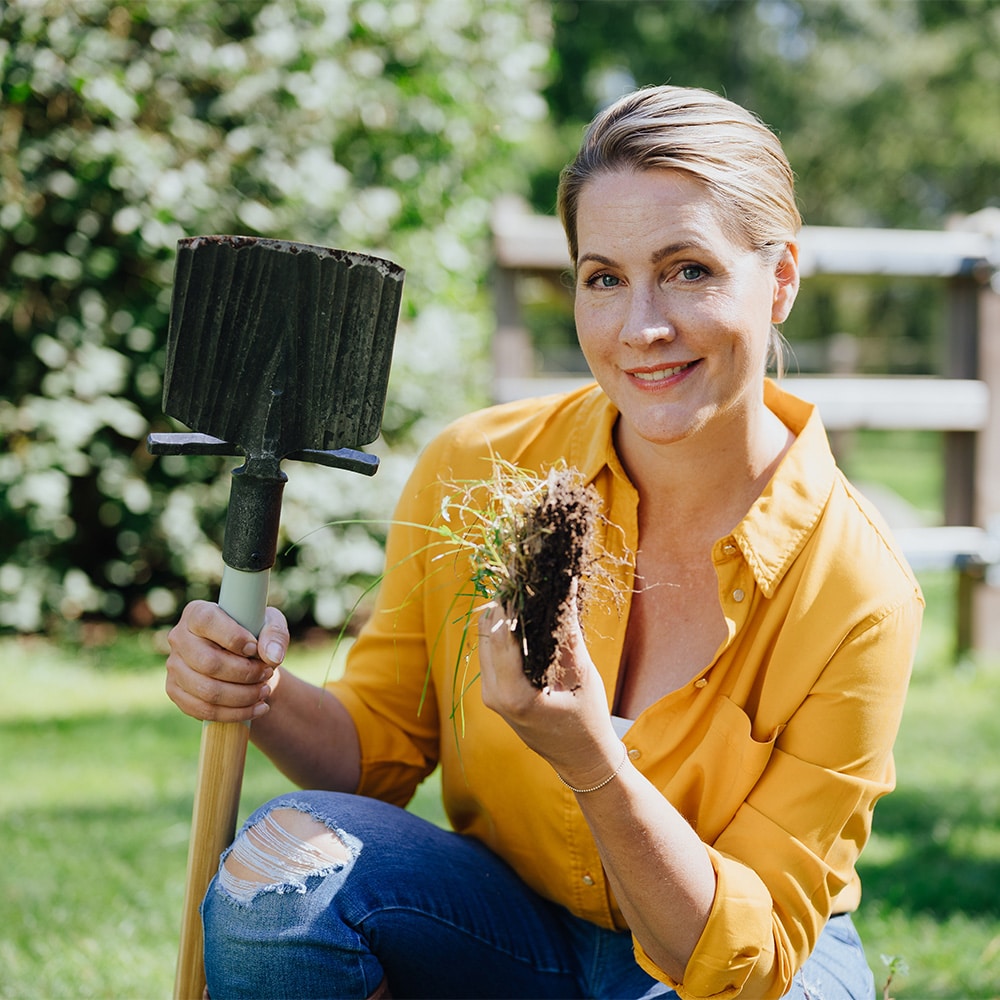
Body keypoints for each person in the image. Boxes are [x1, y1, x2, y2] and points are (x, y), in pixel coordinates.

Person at [166, 85, 923, 1000]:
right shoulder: (482, 467)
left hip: (722, 966)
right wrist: (262, 688)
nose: (640, 328)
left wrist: (591, 764)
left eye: (689, 270)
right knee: (276, 879)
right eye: (603, 277)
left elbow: (739, 961)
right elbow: (375, 754)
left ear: (782, 279)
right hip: (498, 921)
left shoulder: (856, 591)